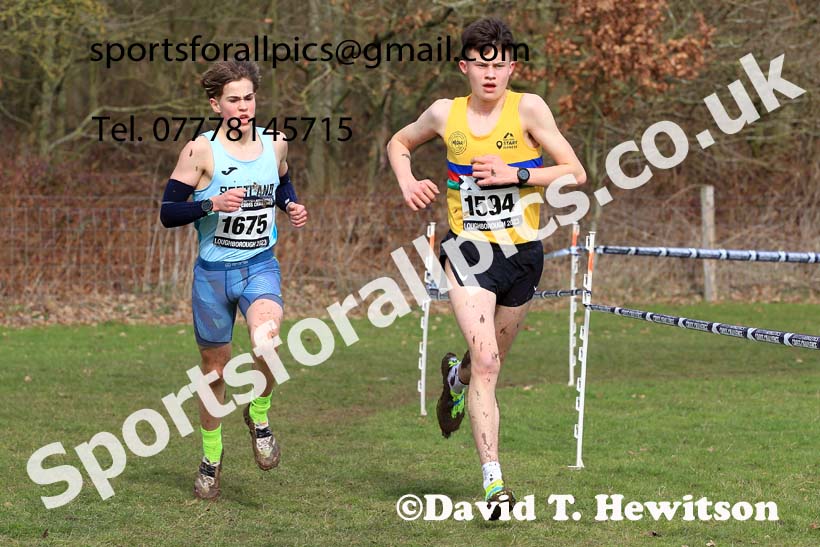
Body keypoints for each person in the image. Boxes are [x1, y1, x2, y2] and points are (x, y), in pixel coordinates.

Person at [386, 18, 585, 518]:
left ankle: (455, 380)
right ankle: (495, 484)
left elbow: (575, 172)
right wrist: (407, 181)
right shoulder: (443, 114)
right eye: (481, 64)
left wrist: (517, 173)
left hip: (522, 255)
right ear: (464, 67)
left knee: (484, 366)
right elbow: (398, 143)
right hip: (468, 255)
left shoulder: (529, 108)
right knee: (490, 364)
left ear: (512, 67)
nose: (490, 74)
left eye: (499, 65)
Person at [160, 60, 308, 500]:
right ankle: (210, 458)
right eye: (233, 99)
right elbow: (168, 213)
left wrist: (292, 206)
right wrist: (211, 205)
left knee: (269, 343)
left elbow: (282, 184)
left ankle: (259, 415)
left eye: (249, 97)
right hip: (212, 276)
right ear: (216, 104)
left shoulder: (276, 143)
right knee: (214, 374)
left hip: (260, 265)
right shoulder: (199, 152)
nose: (243, 106)